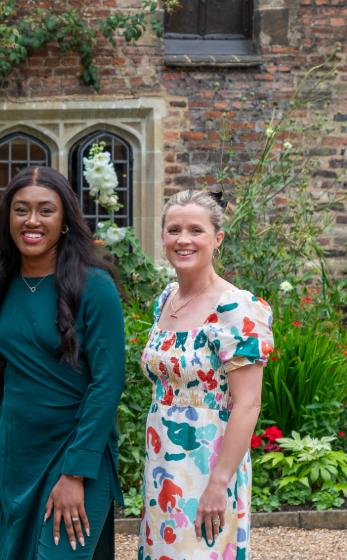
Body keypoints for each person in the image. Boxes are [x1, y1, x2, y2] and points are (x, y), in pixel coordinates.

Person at [0, 166, 126, 560]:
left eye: (46, 210)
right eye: (21, 210)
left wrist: (76, 471)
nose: (32, 221)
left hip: (74, 452)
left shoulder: (95, 287)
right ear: (7, 219)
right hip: (17, 457)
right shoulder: (0, 284)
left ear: (66, 221)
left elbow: (108, 384)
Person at [138, 190, 272, 559]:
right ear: (162, 236)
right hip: (163, 462)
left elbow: (248, 403)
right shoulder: (165, 299)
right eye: (174, 230)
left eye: (196, 230)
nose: (183, 240)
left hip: (209, 462)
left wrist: (218, 482)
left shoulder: (237, 308)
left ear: (218, 239)